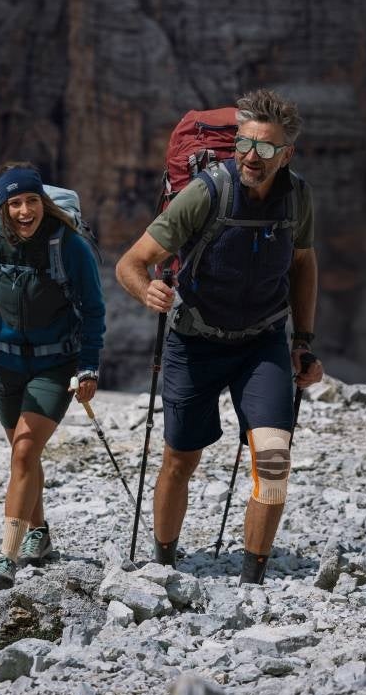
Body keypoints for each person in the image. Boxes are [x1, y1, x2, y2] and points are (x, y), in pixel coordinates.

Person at [115, 88, 324, 584]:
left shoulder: (298, 197)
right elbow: (130, 263)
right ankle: (164, 564)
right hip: (194, 341)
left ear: (287, 154)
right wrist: (148, 293)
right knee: (180, 461)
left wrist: (304, 341)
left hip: (262, 343)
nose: (254, 157)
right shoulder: (205, 192)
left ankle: (253, 580)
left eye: (268, 148)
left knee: (273, 460)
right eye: (246, 145)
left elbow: (303, 263)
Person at [0, 162, 105, 589]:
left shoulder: (68, 245)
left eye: (32, 201)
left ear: (43, 202)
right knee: (23, 454)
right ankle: (39, 532)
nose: (25, 210)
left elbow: (93, 309)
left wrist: (89, 366)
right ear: (3, 206)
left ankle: (5, 558)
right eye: (15, 203)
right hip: (1, 363)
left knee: (24, 451)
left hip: (55, 365)